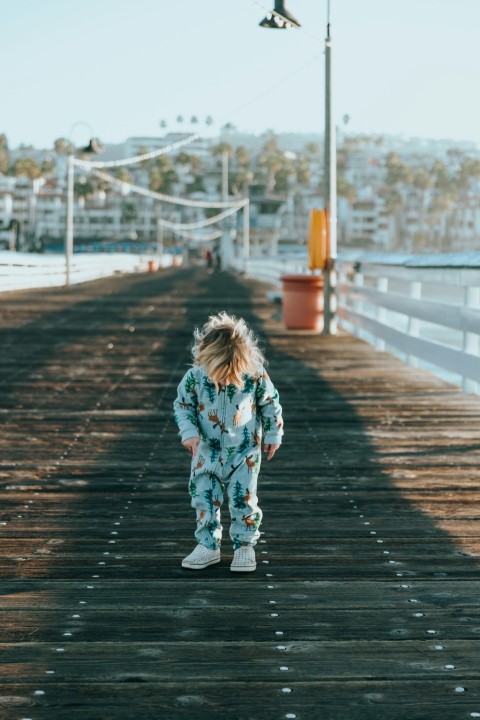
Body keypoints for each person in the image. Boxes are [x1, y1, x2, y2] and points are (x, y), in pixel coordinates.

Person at [173, 312, 284, 572]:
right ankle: (208, 545)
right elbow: (183, 405)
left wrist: (273, 434)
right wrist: (189, 432)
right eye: (218, 375)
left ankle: (245, 546)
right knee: (203, 498)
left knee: (243, 500)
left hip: (244, 452)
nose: (223, 380)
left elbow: (270, 404)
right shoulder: (195, 376)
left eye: (229, 375)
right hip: (205, 451)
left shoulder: (255, 374)